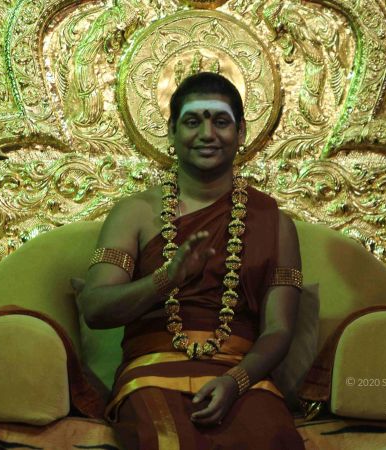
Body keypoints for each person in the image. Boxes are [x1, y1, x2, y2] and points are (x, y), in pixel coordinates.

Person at [76, 72, 305, 449]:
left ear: (241, 132)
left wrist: (235, 382)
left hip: (242, 378)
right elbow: (95, 309)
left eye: (221, 121)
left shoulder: (275, 223)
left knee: (273, 439)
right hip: (151, 375)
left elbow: (278, 329)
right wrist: (166, 278)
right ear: (171, 132)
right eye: (193, 121)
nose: (207, 134)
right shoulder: (135, 213)